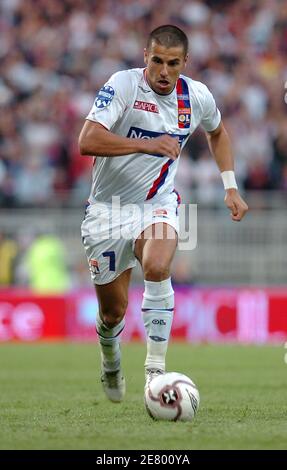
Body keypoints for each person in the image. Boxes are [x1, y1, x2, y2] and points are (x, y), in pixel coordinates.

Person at [79, 24, 248, 403]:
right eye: (157, 60)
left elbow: (218, 133)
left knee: (157, 267)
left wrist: (231, 186)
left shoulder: (197, 96)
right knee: (112, 313)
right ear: (145, 56)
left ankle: (155, 371)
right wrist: (147, 145)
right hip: (107, 211)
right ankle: (110, 360)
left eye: (173, 63)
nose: (163, 71)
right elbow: (86, 141)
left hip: (159, 204)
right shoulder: (123, 85)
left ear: (184, 62)